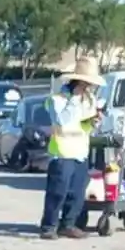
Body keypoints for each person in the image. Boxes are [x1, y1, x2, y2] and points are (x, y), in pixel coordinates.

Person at [40, 63, 103, 238]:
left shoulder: (88, 99)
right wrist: (74, 99)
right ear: (77, 82)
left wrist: (93, 122)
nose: (89, 88)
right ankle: (48, 227)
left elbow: (82, 124)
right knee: (58, 192)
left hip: (80, 151)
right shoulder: (57, 99)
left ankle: (68, 224)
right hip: (61, 152)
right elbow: (62, 120)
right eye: (86, 84)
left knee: (77, 192)